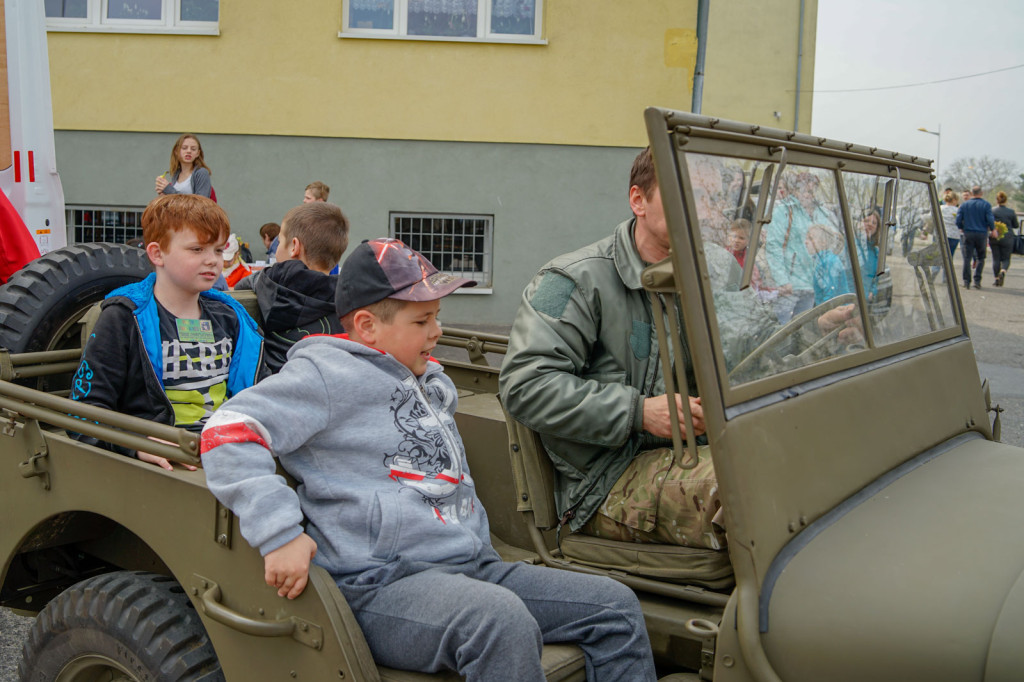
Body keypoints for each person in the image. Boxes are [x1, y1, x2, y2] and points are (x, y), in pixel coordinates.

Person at [200, 238, 656, 682]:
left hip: (472, 565)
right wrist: (279, 534)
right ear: (367, 325)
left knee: (616, 607)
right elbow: (229, 430)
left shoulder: (430, 378)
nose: (437, 331)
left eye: (437, 317)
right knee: (497, 621)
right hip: (382, 583)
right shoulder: (324, 376)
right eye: (422, 321)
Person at [499, 148, 860, 550]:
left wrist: (815, 333)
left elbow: (754, 348)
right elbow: (525, 385)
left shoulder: (717, 267)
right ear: (639, 200)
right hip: (609, 476)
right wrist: (638, 412)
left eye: (714, 198)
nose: (707, 212)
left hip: (707, 446)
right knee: (762, 485)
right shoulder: (572, 280)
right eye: (691, 195)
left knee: (839, 455)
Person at [70, 194, 264, 470]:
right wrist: (138, 445)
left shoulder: (231, 317)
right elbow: (86, 410)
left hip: (230, 453)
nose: (213, 261)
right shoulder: (123, 318)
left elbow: (261, 391)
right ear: (157, 254)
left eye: (219, 250)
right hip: (162, 467)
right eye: (197, 249)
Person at [235, 203, 349, 373]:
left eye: (279, 242)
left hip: (274, 385)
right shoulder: (348, 296)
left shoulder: (270, 282)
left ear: (294, 247)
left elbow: (240, 288)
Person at [765, 171, 835, 322]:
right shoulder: (784, 211)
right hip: (790, 285)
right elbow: (773, 247)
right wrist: (782, 280)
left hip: (811, 283)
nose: (809, 195)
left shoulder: (821, 212)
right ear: (795, 191)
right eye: (805, 190)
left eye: (812, 191)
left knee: (802, 327)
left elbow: (829, 244)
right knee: (781, 329)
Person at [956, 185, 996, 289]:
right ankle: (977, 280)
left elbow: (958, 220)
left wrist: (962, 227)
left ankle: (966, 281)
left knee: (967, 258)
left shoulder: (965, 205)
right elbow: (990, 219)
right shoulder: (986, 205)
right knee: (981, 258)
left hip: (968, 233)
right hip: (981, 233)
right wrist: (993, 229)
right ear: (981, 193)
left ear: (972, 193)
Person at [806, 223, 854, 304]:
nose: (805, 242)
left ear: (823, 242)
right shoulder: (821, 261)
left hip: (837, 310)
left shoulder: (829, 262)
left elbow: (831, 293)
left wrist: (823, 312)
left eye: (810, 238)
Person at [155, 134, 212, 199]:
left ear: (197, 153)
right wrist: (164, 195)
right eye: (184, 148)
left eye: (193, 149)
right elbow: (176, 202)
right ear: (176, 151)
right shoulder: (176, 174)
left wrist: (169, 190)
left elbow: (202, 203)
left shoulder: (201, 173)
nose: (189, 151)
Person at [990, 191, 1018, 287]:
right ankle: (1003, 271)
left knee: (996, 258)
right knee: (1006, 258)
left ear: (997, 200)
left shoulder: (992, 211)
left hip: (995, 236)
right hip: (1008, 236)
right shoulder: (1011, 212)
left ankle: (996, 279)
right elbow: (1016, 225)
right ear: (1006, 200)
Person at [854, 209, 881, 296]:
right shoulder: (852, 245)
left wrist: (872, 292)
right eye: (866, 221)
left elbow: (876, 277)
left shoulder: (875, 251)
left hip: (864, 299)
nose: (870, 224)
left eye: (874, 223)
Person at [940, 189, 961, 258]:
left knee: (939, 255)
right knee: (949, 256)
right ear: (954, 200)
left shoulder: (940, 208)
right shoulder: (958, 210)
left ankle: (935, 268)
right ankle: (946, 268)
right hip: (954, 235)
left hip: (941, 234)